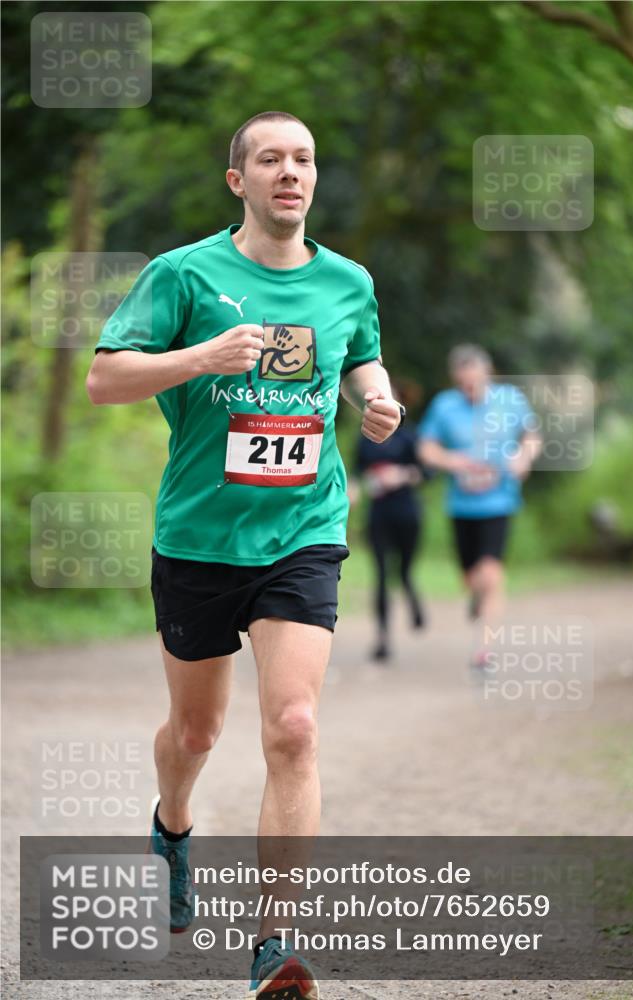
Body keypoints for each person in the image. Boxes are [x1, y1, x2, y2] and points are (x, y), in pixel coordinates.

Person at [86, 111, 403, 1000]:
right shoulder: (182, 274)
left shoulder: (348, 282)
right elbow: (104, 377)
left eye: (303, 157)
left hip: (303, 529)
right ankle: (173, 826)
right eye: (270, 159)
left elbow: (365, 362)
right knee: (195, 733)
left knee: (293, 729)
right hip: (197, 538)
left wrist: (376, 403)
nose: (289, 172)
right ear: (240, 181)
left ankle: (275, 938)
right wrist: (197, 358)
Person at [417, 345, 542, 669]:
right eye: (463, 383)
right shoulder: (444, 406)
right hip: (461, 506)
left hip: (499, 501)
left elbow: (531, 436)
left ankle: (484, 650)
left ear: (488, 373)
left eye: (474, 381)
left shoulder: (510, 400)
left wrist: (523, 456)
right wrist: (451, 460)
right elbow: (426, 448)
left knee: (491, 572)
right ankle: (477, 596)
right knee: (472, 578)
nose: (469, 388)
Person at [350, 378, 425, 662]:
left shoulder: (410, 436)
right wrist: (354, 489)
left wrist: (402, 475)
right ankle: (383, 638)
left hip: (407, 513)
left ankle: (412, 596)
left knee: (403, 570)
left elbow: (425, 472)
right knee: (380, 575)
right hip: (378, 514)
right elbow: (357, 472)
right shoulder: (365, 438)